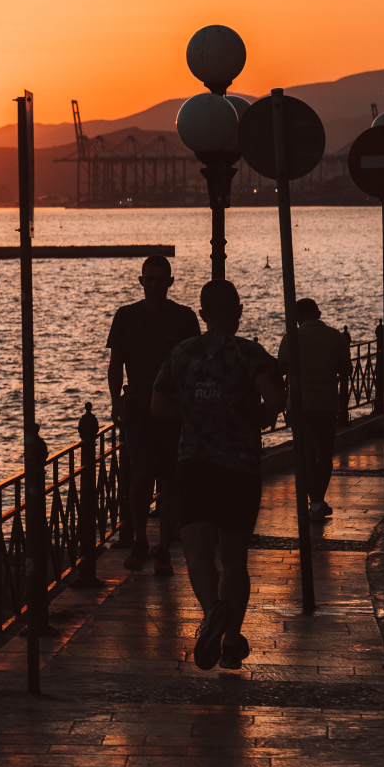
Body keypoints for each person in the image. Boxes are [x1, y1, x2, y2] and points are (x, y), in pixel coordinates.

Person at [152, 279, 285, 671]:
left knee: (196, 551)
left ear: (203, 314)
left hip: (193, 463)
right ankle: (229, 643)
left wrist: (197, 413)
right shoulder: (250, 354)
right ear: (239, 312)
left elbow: (158, 407)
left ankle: (212, 610)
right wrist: (260, 414)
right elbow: (276, 398)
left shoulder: (181, 353)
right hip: (239, 467)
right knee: (234, 558)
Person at [106, 255, 201, 575]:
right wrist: (116, 401)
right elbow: (116, 363)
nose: (157, 284)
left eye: (163, 279)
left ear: (171, 282)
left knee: (171, 481)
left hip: (176, 409)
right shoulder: (126, 316)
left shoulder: (184, 317)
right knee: (142, 472)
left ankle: (163, 548)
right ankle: (138, 540)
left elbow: (196, 365)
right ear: (142, 281)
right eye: (151, 279)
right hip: (139, 406)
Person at [279, 299, 351, 519]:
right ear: (318, 313)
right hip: (327, 405)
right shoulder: (336, 336)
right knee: (325, 455)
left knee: (306, 455)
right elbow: (346, 369)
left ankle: (316, 502)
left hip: (299, 406)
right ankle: (318, 501)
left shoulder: (292, 337)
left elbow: (281, 367)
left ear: (298, 317)